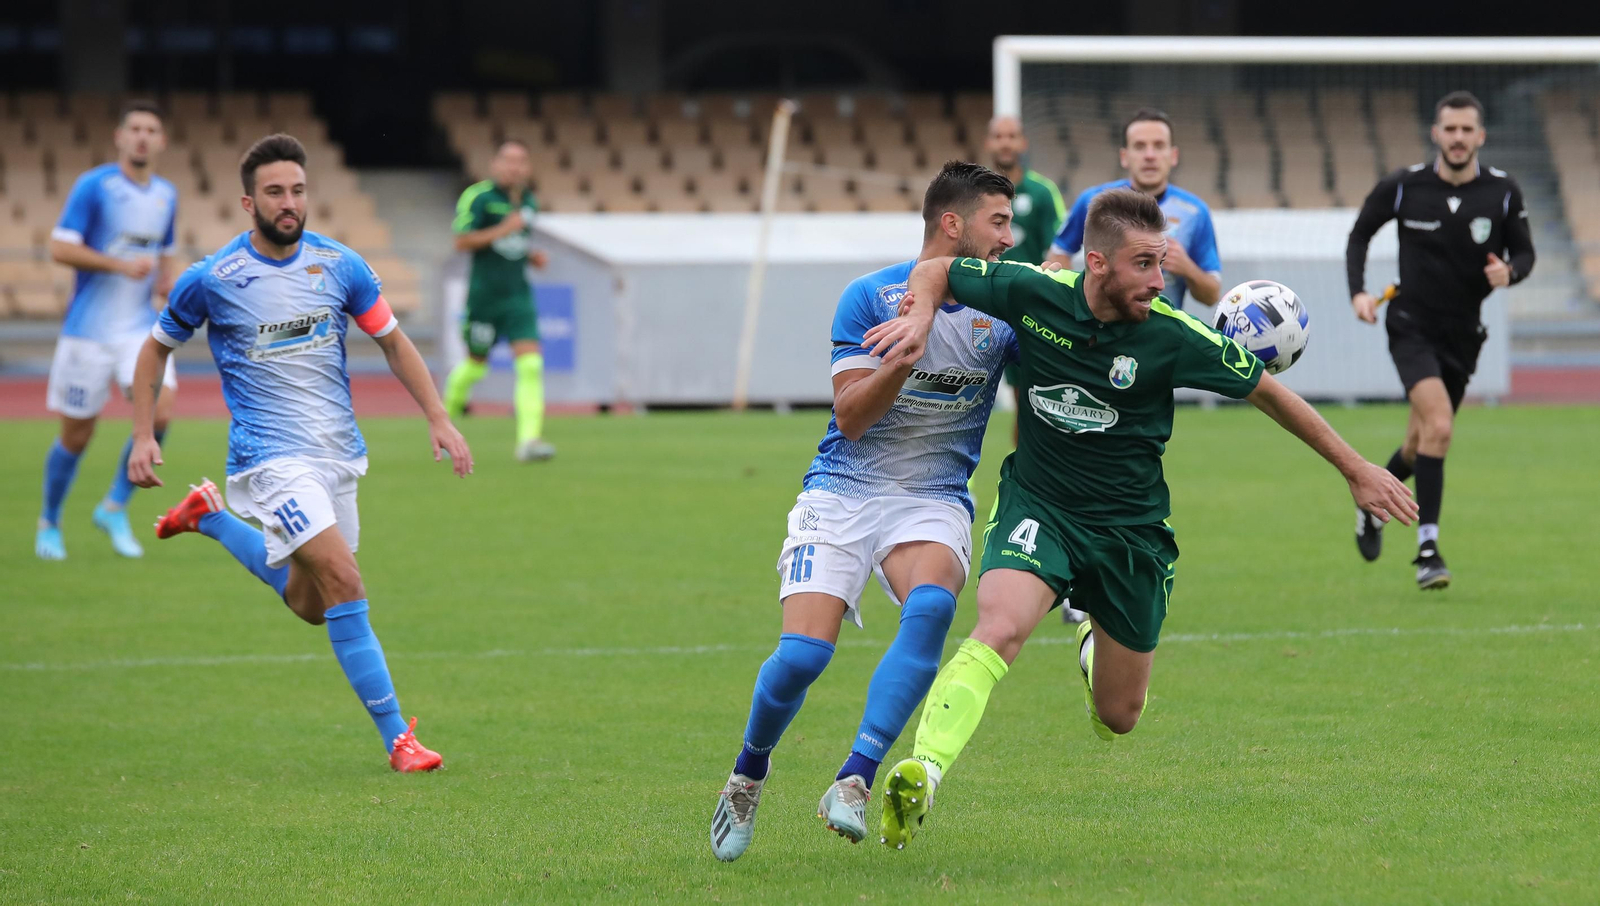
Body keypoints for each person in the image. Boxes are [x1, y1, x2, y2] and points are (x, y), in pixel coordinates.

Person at [861, 189, 1416, 850]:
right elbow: (936, 270)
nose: (1160, 281)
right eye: (1145, 265)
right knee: (1000, 625)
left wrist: (1355, 469)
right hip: (1041, 507)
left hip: (1131, 536)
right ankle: (923, 772)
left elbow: (1271, 394)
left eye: (1162, 265)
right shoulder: (1034, 294)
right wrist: (920, 315)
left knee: (1120, 717)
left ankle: (1095, 649)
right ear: (1097, 264)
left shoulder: (1172, 335)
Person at [125, 134, 474, 772]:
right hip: (269, 459)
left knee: (310, 603)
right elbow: (155, 349)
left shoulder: (340, 265)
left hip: (337, 456)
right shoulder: (214, 279)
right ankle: (400, 739)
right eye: (275, 193)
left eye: (297, 191)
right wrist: (144, 433)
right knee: (345, 580)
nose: (289, 203)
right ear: (248, 202)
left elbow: (394, 343)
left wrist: (438, 416)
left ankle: (208, 516)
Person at [709, 162, 1021, 862]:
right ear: (953, 223)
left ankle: (856, 776)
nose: (1008, 237)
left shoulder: (1004, 306)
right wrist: (904, 358)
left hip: (932, 499)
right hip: (842, 493)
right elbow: (850, 418)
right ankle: (747, 774)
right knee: (802, 656)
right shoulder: (868, 298)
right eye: (998, 221)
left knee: (934, 609)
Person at [1346, 90, 1534, 590]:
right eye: (1449, 129)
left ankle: (1371, 508)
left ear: (1480, 136)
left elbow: (1525, 254)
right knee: (1442, 426)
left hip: (1463, 335)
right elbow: (1360, 234)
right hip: (1410, 325)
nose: (1457, 138)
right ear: (1436, 133)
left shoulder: (1502, 191)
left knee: (1419, 441)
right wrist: (1358, 293)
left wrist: (1509, 273)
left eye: (1466, 130)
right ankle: (1428, 549)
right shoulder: (1406, 187)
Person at [37, 101, 181, 560]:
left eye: (150, 130)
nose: (142, 136)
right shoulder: (94, 186)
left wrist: (169, 284)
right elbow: (60, 248)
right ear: (120, 136)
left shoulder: (167, 195)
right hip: (88, 332)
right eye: (134, 128)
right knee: (77, 435)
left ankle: (115, 505)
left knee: (162, 411)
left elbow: (167, 253)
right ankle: (50, 522)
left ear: (161, 141)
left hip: (139, 331)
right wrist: (119, 265)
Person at [440, 139, 554, 462]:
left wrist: (531, 256)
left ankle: (529, 441)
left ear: (527, 168)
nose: (514, 167)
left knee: (531, 364)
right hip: (485, 298)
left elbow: (515, 242)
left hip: (518, 296)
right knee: (475, 366)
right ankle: (447, 420)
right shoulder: (479, 197)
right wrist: (504, 228)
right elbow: (462, 241)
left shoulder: (529, 201)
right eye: (508, 160)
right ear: (495, 165)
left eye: (520, 161)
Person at [1046, 107, 1222, 310]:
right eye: (1139, 146)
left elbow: (1211, 295)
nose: (1149, 155)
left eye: (1158, 146)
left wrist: (1188, 268)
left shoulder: (1194, 212)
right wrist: (1076, 302)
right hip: (1100, 335)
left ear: (1173, 156)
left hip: (1163, 336)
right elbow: (1058, 253)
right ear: (1124, 156)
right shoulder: (1094, 201)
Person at [987, 116, 1066, 267]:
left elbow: (1058, 250)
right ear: (988, 143)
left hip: (1030, 287)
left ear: (1024, 143)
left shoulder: (1043, 192)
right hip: (986, 287)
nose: (1005, 143)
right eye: (998, 137)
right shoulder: (974, 192)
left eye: (1012, 136)